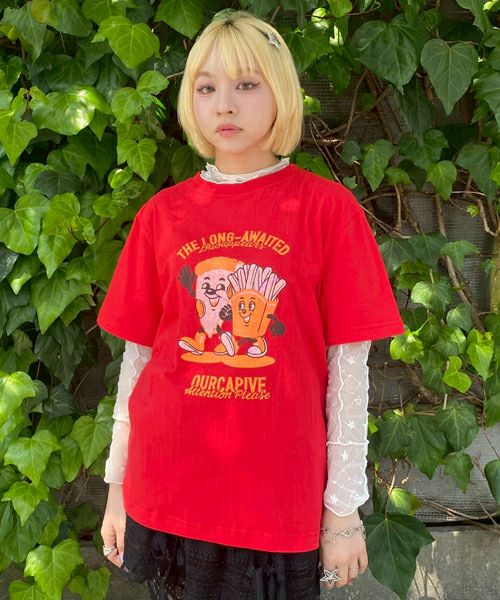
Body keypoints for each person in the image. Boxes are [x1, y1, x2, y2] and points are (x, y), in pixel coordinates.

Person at [97, 10, 404, 600]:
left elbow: (348, 370)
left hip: (275, 498)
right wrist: (117, 488)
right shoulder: (162, 215)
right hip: (169, 485)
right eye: (206, 87)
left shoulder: (328, 211)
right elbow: (137, 365)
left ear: (280, 91)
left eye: (246, 84)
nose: (224, 105)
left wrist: (343, 509)